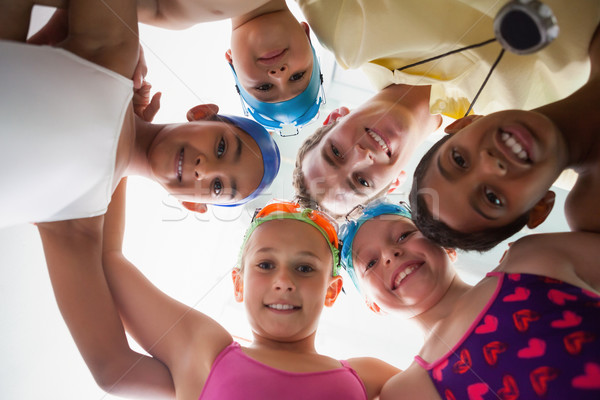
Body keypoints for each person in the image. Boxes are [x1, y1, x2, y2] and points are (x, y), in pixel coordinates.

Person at [39, 189, 401, 397]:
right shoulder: (206, 350)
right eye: (265, 265)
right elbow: (109, 262)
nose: (283, 281)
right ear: (238, 283)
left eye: (305, 268)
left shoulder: (368, 376)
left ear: (332, 291)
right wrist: (123, 143)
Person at [292, 0, 600, 217]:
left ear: (334, 118)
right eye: (361, 181)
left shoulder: (343, 24)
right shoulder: (535, 151)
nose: (361, 155)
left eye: (335, 153)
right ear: (396, 182)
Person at [0, 0, 281, 229]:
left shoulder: (80, 220)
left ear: (191, 204)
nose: (203, 168)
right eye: (221, 147)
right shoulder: (115, 55)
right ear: (203, 113)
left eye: (217, 186)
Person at [339, 199, 600, 399]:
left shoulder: (533, 259)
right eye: (370, 263)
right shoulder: (408, 391)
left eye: (404, 235)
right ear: (374, 307)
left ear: (447, 244)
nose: (390, 254)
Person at [409, 21, 600, 252]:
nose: (491, 164)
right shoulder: (592, 212)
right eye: (492, 198)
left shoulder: (571, 23)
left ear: (465, 122)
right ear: (539, 208)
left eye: (459, 159)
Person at [136, 0, 324, 132]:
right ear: (306, 34)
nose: (278, 74)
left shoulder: (165, 9)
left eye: (264, 87)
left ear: (232, 61)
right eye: (297, 76)